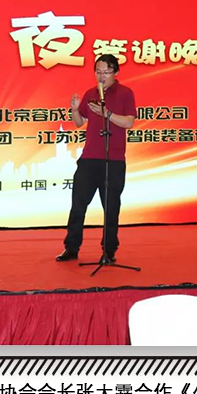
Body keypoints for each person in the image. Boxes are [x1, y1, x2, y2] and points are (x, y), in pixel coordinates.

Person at [56, 54, 137, 262]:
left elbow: (128, 122)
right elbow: (79, 122)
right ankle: (71, 247)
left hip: (113, 160)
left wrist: (106, 113)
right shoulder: (91, 93)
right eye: (98, 72)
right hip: (89, 159)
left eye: (106, 72)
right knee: (78, 205)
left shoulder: (125, 93)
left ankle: (109, 251)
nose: (102, 77)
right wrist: (75, 109)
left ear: (116, 72)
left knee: (111, 208)